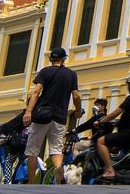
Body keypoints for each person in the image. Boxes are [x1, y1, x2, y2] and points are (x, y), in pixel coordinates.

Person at [24, 46, 82, 185]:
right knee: (56, 150)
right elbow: (76, 96)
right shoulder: (71, 74)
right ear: (64, 59)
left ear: (51, 59)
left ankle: (31, 183)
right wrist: (78, 110)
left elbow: (36, 92)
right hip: (60, 117)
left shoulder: (45, 72)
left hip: (42, 116)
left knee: (32, 151)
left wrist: (28, 111)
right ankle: (58, 173)